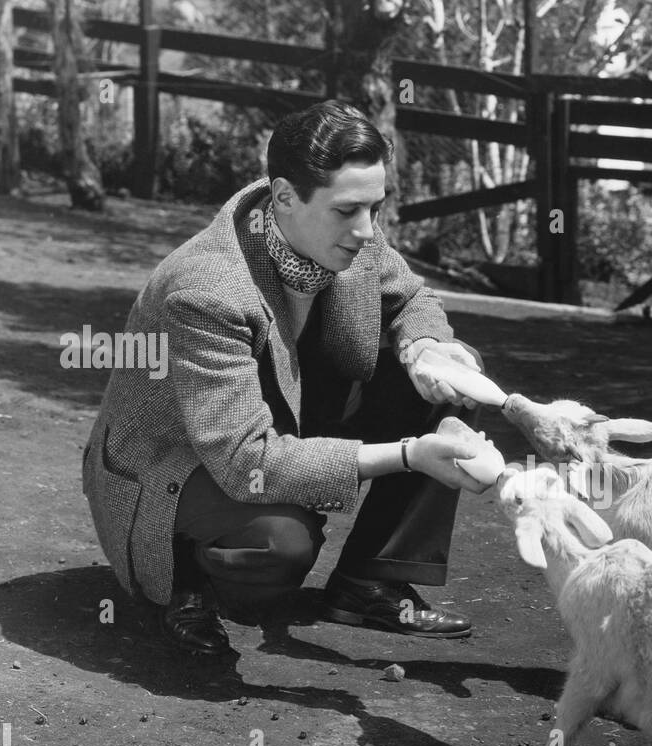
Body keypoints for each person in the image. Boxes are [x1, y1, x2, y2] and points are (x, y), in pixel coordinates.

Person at [81, 100, 491, 656]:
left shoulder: (347, 228)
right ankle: (186, 576)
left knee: (453, 378)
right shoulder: (205, 288)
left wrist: (424, 348)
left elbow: (413, 298)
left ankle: (369, 583)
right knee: (282, 543)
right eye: (349, 211)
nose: (368, 231)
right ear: (283, 198)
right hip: (176, 462)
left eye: (376, 208)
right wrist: (409, 453)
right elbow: (245, 459)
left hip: (275, 415)